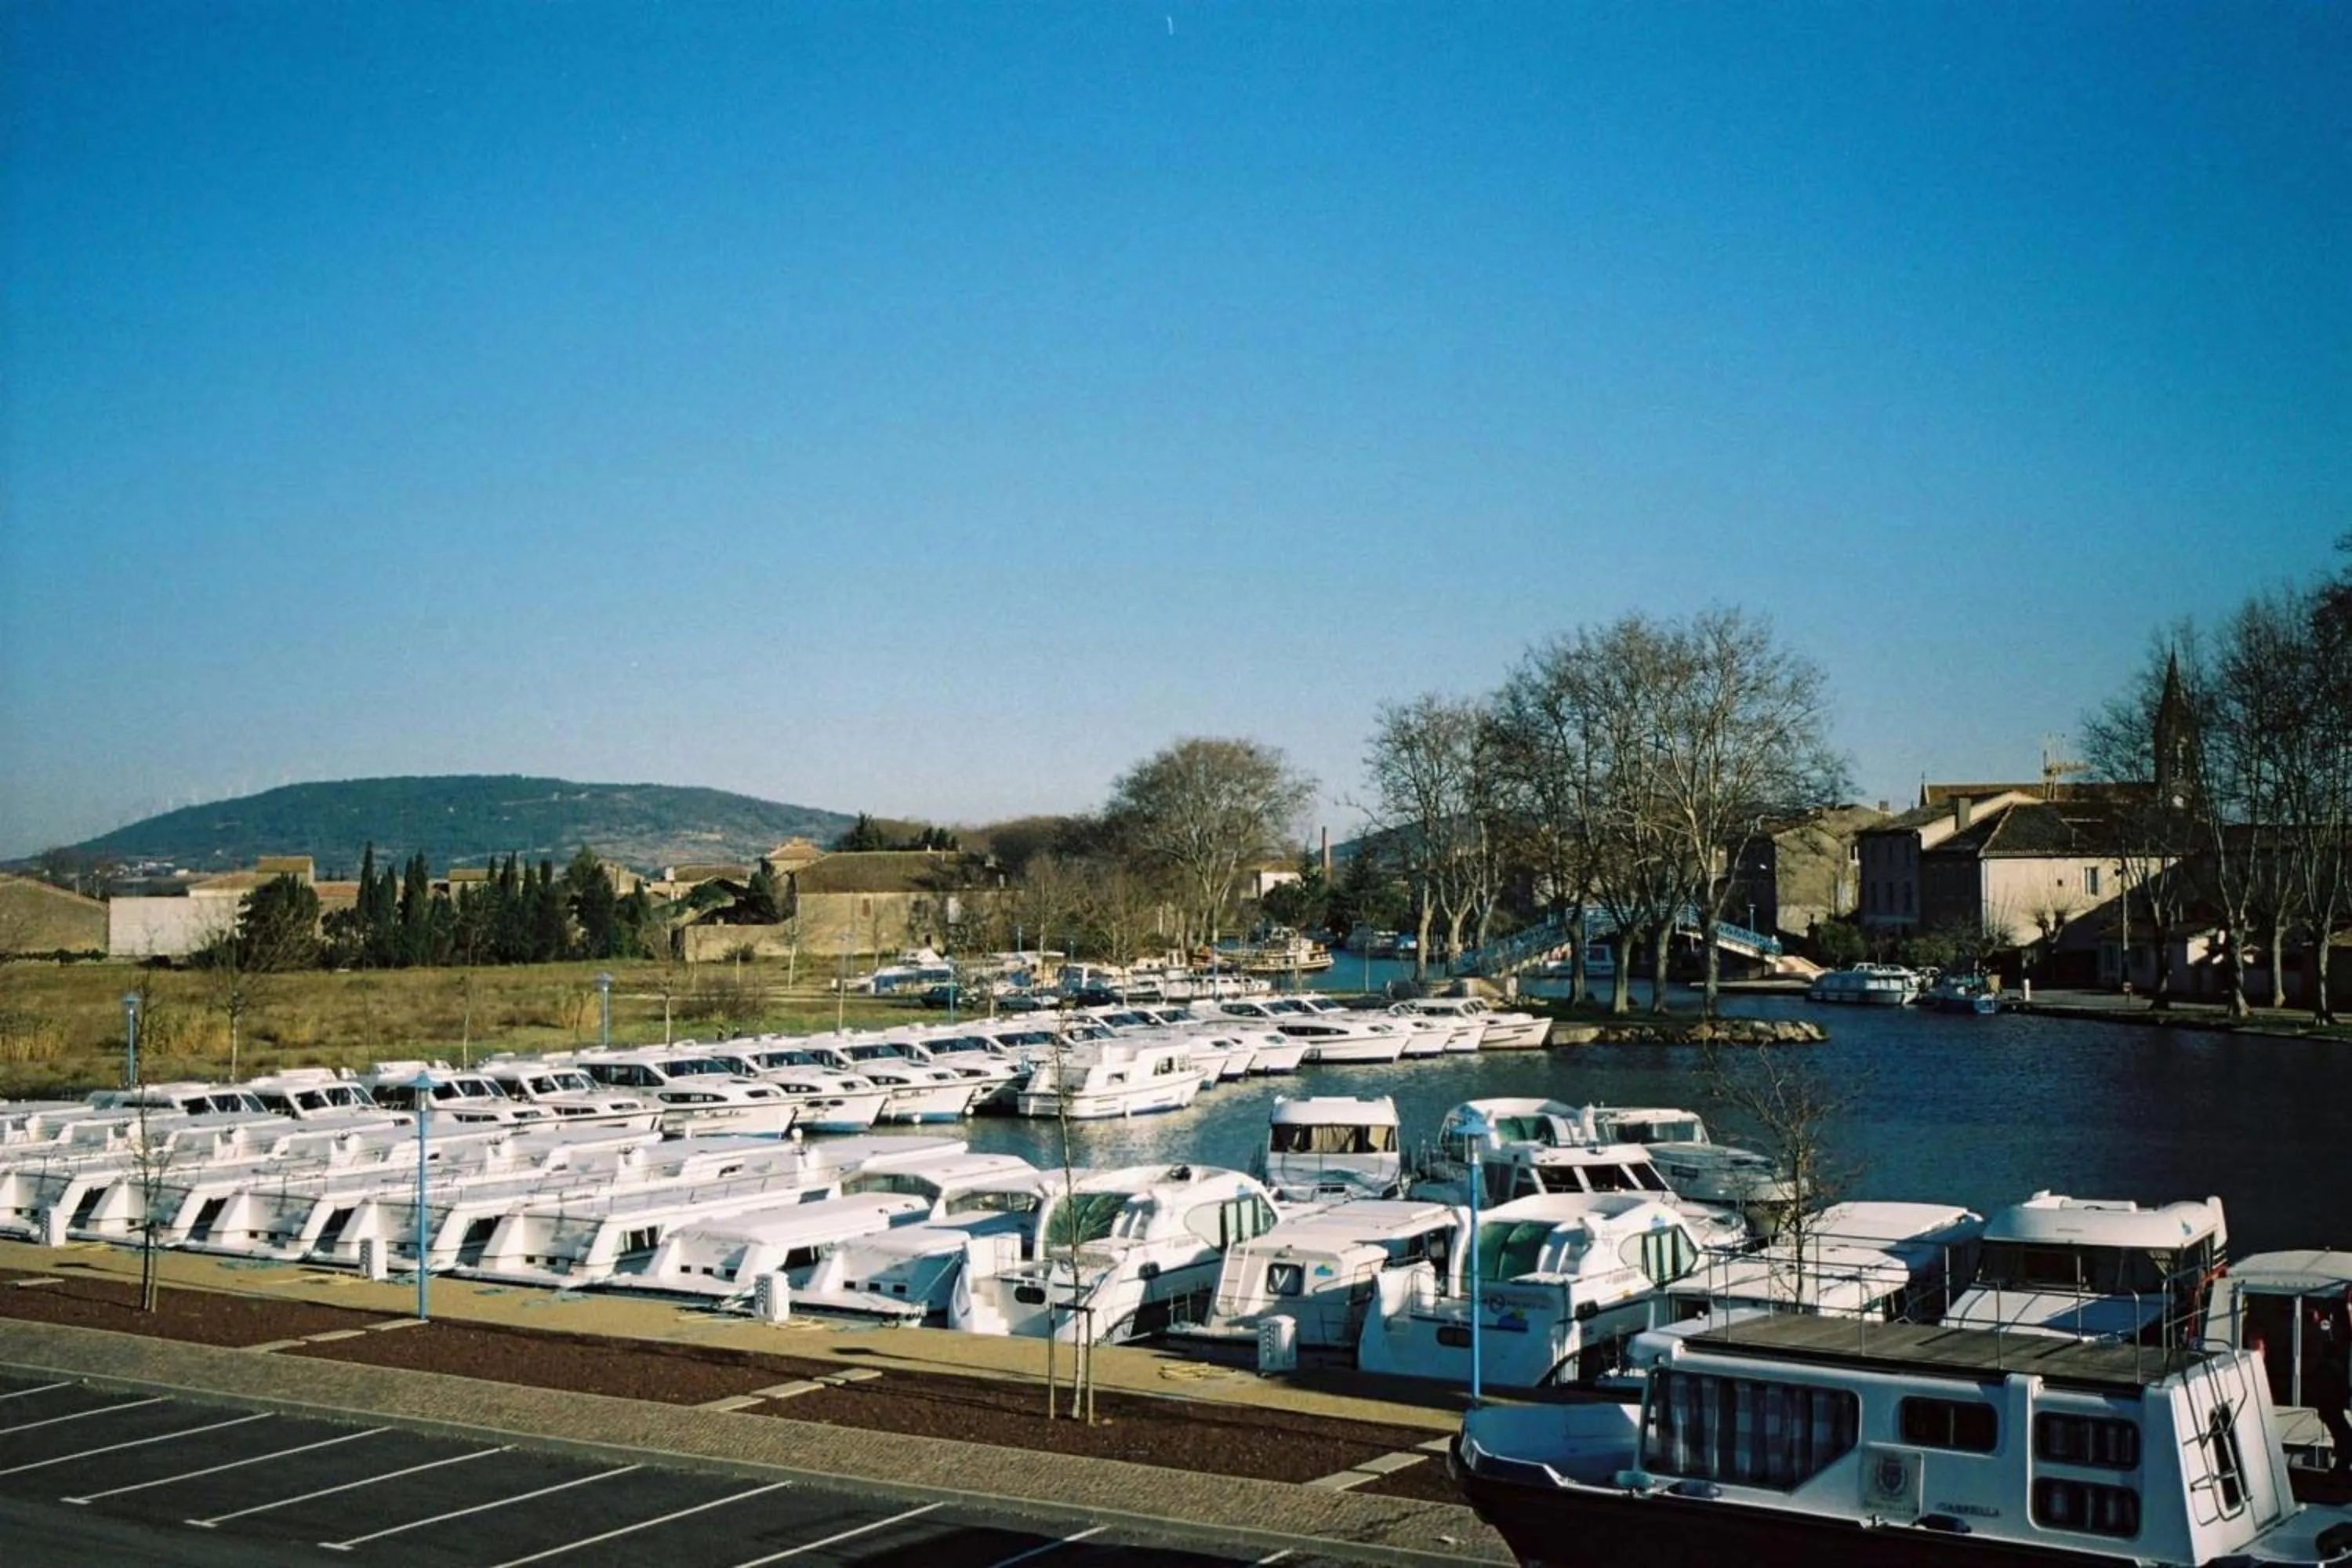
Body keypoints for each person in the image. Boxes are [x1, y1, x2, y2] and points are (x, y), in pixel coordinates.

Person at [2307, 1288, 2352, 1475]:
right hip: (2331, 1365)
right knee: (2329, 1412)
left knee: (2330, 1412)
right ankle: (2345, 1454)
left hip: (2337, 1366)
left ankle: (2346, 1453)